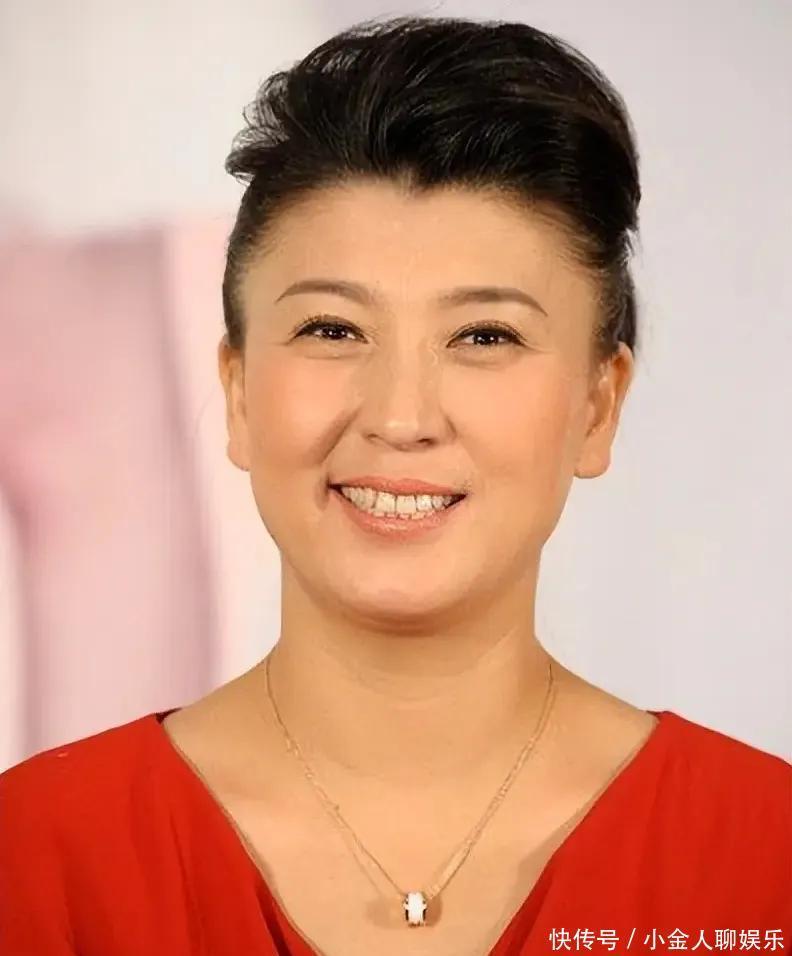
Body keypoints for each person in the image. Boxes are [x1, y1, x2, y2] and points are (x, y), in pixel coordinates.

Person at [1, 14, 789, 956]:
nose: (401, 415)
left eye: (485, 336)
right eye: (332, 330)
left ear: (597, 405)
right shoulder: (35, 854)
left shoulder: (765, 853)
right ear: (238, 391)